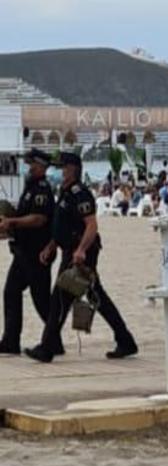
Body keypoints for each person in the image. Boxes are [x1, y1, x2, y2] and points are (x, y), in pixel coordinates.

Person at [25, 152, 139, 363]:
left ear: (73, 169)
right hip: (69, 250)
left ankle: (47, 348)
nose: (61, 171)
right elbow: (62, 225)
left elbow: (91, 226)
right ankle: (125, 340)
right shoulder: (65, 191)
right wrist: (51, 246)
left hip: (80, 254)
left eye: (64, 168)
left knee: (60, 298)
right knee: (97, 298)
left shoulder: (80, 193)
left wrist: (81, 250)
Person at [0, 150, 55, 355]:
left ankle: (53, 341)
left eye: (31, 164)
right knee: (11, 292)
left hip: (37, 252)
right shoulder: (30, 187)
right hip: (23, 251)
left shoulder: (42, 189)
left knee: (41, 300)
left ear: (40, 166)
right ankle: (10, 341)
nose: (28, 167)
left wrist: (12, 221)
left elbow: (39, 219)